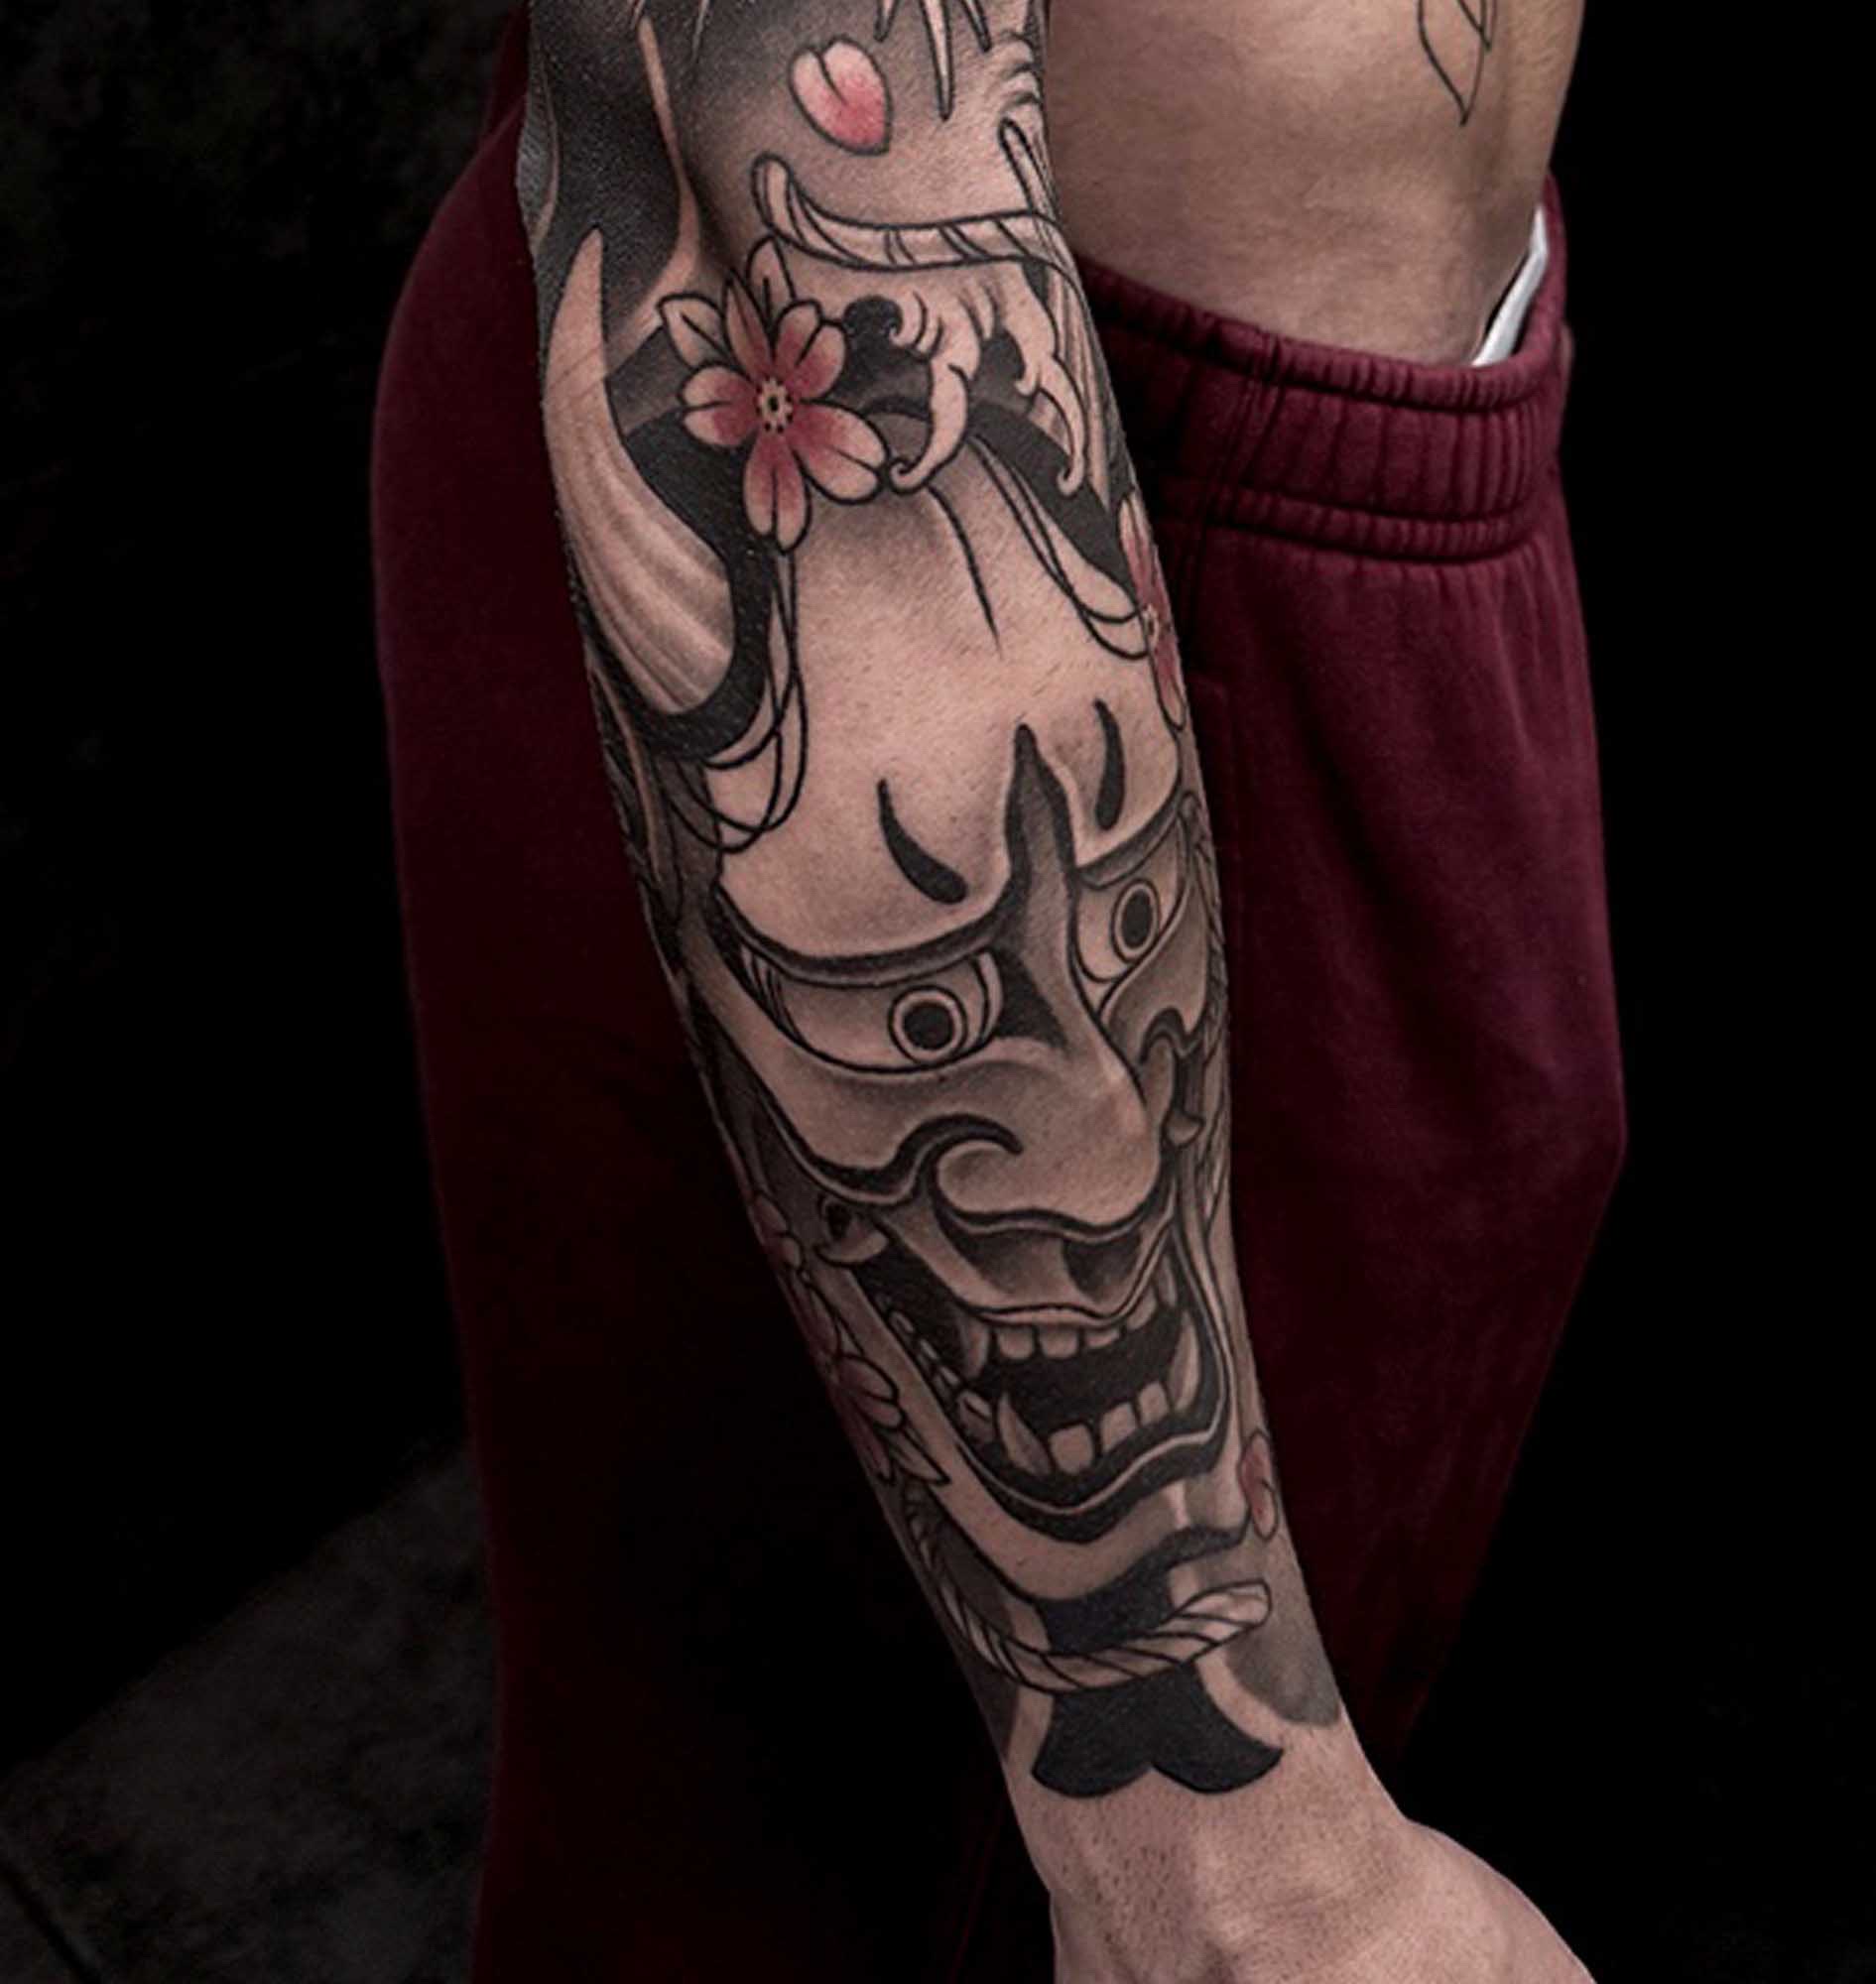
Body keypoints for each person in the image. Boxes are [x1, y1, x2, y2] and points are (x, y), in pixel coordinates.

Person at [371, 1, 1617, 1976]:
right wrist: (1228, 1843)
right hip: (917, 595)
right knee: (813, 1884)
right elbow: (752, 175)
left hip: (1373, 478)